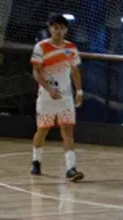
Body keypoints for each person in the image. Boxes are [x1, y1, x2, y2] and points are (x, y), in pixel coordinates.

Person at [30, 13, 84, 180]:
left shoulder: (71, 48)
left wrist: (79, 91)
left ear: (66, 29)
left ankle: (71, 168)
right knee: (43, 130)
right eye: (55, 27)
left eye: (62, 28)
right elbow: (36, 72)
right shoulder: (41, 47)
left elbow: (75, 71)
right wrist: (48, 89)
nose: (58, 31)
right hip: (46, 97)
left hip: (66, 97)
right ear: (50, 28)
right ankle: (36, 161)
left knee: (67, 131)